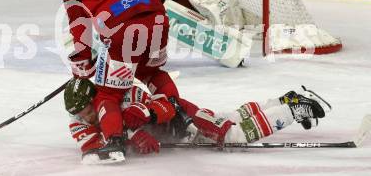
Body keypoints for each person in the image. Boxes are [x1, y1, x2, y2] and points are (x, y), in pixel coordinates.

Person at [58, 0, 184, 163]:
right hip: (155, 15)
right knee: (151, 71)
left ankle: (114, 143)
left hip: (121, 28)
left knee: (107, 93)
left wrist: (83, 61)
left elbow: (79, 22)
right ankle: (178, 117)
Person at [64, 78, 329, 164]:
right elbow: (91, 148)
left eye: (86, 110)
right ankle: (286, 101)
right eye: (78, 113)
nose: (84, 117)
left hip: (185, 121)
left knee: (233, 136)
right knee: (232, 118)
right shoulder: (78, 122)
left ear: (95, 99)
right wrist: (131, 138)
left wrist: (142, 119)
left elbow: (164, 104)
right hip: (185, 127)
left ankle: (295, 110)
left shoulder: (126, 95)